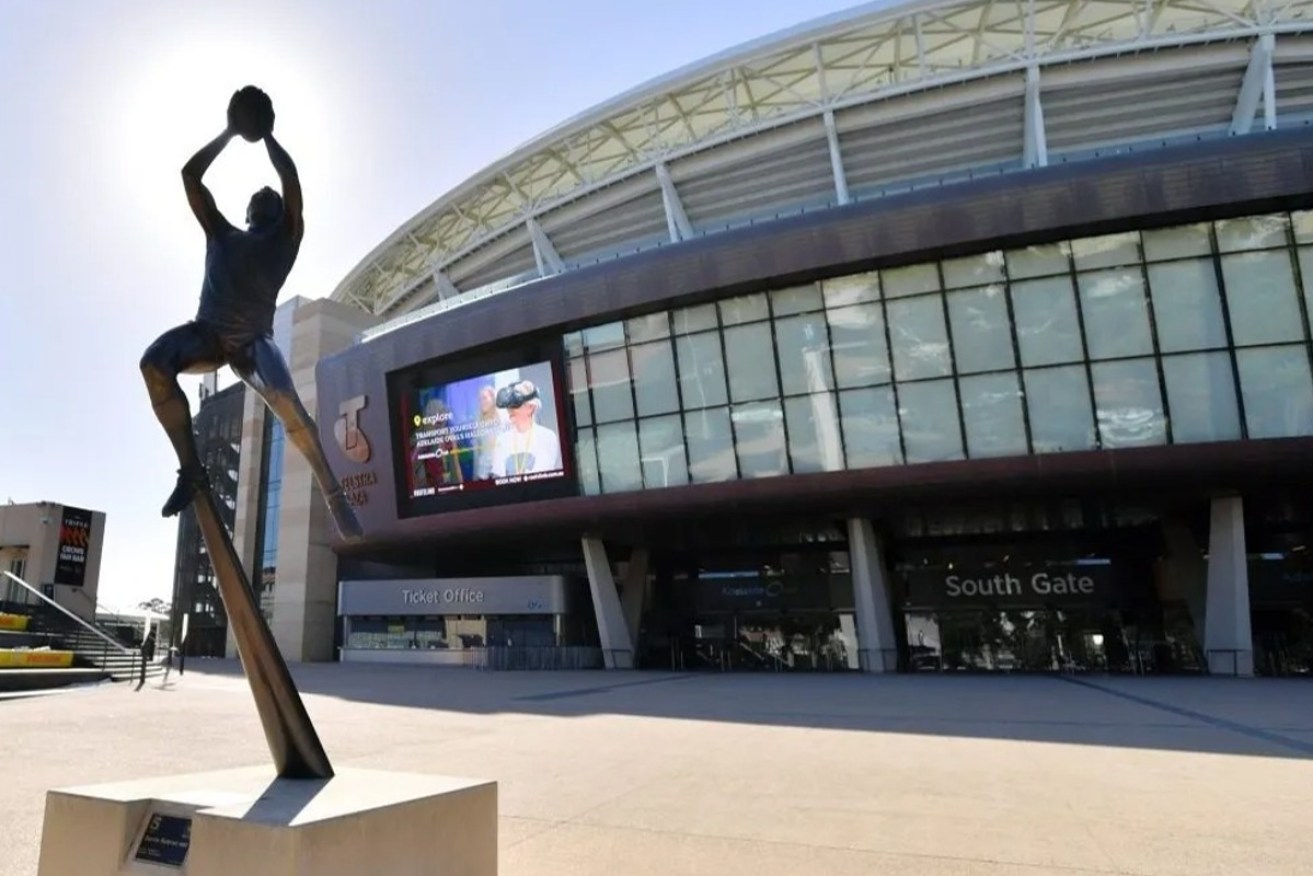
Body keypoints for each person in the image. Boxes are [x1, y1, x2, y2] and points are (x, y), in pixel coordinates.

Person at [139, 88, 362, 542]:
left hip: (253, 343)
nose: (264, 195)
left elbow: (292, 180)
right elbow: (190, 175)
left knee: (288, 405)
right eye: (257, 196)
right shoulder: (222, 234)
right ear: (247, 212)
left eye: (270, 197)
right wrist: (229, 132)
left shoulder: (285, 239)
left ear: (279, 212)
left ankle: (334, 493)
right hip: (207, 334)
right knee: (153, 363)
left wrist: (267, 138)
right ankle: (190, 470)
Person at [490, 380, 561, 477]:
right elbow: (498, 477)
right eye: (508, 405)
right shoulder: (501, 440)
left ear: (531, 407)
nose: (509, 409)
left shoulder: (547, 437)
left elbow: (541, 476)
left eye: (515, 404)